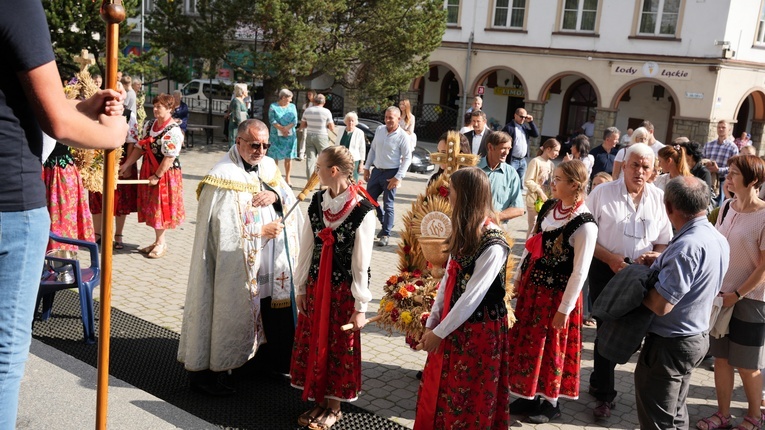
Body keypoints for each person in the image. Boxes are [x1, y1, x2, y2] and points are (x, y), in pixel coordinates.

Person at [0, 2, 127, 427]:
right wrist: (114, 134)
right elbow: (57, 121)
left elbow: (21, 104)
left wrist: (83, 106)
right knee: (4, 354)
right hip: (9, 204)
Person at [178, 119, 301, 396]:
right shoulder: (222, 176)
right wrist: (260, 231)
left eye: (265, 145)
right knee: (229, 311)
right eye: (254, 144)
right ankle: (214, 371)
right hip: (231, 265)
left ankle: (261, 363)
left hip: (267, 260)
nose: (260, 151)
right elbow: (221, 231)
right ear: (238, 142)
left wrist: (274, 196)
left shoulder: (268, 167)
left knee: (269, 308)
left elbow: (285, 195)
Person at [414, 166, 512, 430]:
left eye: (453, 192)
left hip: (479, 331)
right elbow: (448, 279)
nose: (450, 198)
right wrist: (432, 322)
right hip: (453, 326)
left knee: (469, 396)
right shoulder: (464, 232)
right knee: (445, 391)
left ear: (466, 197)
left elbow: (472, 297)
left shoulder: (494, 244)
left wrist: (440, 332)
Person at [290, 145, 375, 429]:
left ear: (333, 171)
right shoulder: (317, 203)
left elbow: (361, 263)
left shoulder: (363, 209)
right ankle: (320, 400)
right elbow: (306, 247)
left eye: (320, 167)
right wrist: (300, 286)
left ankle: (335, 406)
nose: (317, 172)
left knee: (339, 345)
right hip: (316, 286)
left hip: (342, 292)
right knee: (315, 339)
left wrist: (361, 306)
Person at [634, 176, 729, 430]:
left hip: (670, 344)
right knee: (675, 414)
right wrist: (663, 260)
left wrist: (634, 285)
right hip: (695, 336)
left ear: (668, 207)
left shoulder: (686, 247)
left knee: (659, 421)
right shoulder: (715, 236)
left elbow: (661, 305)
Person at [585, 143, 672, 419]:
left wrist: (654, 256)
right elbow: (584, 235)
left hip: (640, 275)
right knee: (606, 329)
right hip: (605, 269)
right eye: (635, 165)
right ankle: (604, 396)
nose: (640, 171)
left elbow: (664, 240)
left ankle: (599, 379)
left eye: (646, 167)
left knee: (630, 332)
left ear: (653, 170)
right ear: (624, 166)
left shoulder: (659, 198)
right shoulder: (602, 193)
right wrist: (610, 258)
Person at [508, 160, 598, 424]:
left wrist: (564, 310)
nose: (552, 182)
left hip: (558, 296)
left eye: (558, 179)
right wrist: (516, 277)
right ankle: (528, 395)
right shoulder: (549, 207)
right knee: (529, 343)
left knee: (551, 347)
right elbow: (531, 245)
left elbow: (579, 272)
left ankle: (551, 402)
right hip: (533, 289)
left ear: (574, 185)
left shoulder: (585, 225)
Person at [697, 155, 765, 430]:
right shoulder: (725, 207)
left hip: (750, 301)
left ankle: (754, 416)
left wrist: (737, 294)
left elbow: (763, 268)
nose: (728, 177)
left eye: (735, 173)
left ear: (754, 181)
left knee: (747, 365)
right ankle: (723, 415)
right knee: (722, 360)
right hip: (721, 297)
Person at [119, 93, 185, 259]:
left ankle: (161, 243)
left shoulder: (173, 130)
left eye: (159, 107)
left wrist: (157, 175)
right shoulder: (149, 125)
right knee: (152, 207)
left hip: (165, 174)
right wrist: (126, 164)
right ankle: (157, 241)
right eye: (154, 106)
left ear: (170, 108)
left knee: (160, 207)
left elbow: (169, 157)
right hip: (149, 169)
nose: (155, 109)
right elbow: (140, 148)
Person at [91, 93, 141, 250]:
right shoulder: (97, 112)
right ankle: (97, 234)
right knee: (97, 197)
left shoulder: (128, 114)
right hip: (100, 160)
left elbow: (132, 141)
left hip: (121, 160)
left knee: (122, 200)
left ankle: (118, 234)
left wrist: (126, 165)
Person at [363, 106, 412, 247]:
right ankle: (384, 221)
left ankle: (385, 234)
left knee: (388, 204)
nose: (388, 120)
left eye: (391, 117)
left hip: (391, 173)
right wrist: (366, 168)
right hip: (377, 171)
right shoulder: (379, 130)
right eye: (386, 117)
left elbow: (408, 158)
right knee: (369, 201)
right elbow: (372, 149)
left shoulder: (403, 136)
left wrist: (398, 177)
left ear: (399, 119)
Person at [477, 131, 524, 223]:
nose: (506, 152)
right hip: (472, 227)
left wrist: (493, 217)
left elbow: (519, 209)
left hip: (498, 228)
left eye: (509, 149)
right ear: (490, 147)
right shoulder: (473, 168)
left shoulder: (511, 173)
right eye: (503, 148)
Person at [524, 138, 560, 238]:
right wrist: (539, 191)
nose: (557, 154)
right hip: (534, 200)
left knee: (541, 227)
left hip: (546, 201)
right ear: (548, 149)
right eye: (556, 150)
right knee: (533, 225)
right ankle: (527, 250)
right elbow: (528, 181)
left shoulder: (551, 164)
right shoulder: (536, 161)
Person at [501, 107, 539, 188]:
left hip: (522, 160)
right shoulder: (509, 127)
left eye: (525, 117)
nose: (523, 119)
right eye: (521, 116)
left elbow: (535, 134)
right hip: (512, 160)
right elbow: (502, 142)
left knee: (520, 184)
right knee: (509, 182)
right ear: (515, 115)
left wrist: (531, 122)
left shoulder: (524, 127)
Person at [705, 120, 739, 207]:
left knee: (719, 205)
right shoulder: (708, 145)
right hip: (708, 179)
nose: (720, 129)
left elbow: (735, 167)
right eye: (718, 127)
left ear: (729, 130)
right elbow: (702, 160)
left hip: (723, 181)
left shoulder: (733, 148)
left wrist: (718, 170)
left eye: (723, 127)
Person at [300, 93, 335, 179]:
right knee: (324, 159)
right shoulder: (326, 112)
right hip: (322, 135)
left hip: (310, 135)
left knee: (310, 160)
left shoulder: (307, 110)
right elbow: (331, 127)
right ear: (324, 102)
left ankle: (310, 182)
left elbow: (303, 125)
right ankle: (323, 181)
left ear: (314, 101)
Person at [268, 88, 298, 185]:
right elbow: (272, 120)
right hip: (276, 136)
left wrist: (286, 129)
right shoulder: (273, 106)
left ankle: (288, 178)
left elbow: (295, 120)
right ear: (283, 97)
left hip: (289, 136)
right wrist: (282, 129)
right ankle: (275, 177)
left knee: (288, 157)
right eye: (290, 98)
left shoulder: (292, 106)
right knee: (274, 157)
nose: (291, 100)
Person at [337, 111, 366, 182]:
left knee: (353, 181)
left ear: (355, 122)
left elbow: (362, 148)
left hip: (354, 161)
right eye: (349, 120)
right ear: (345, 121)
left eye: (352, 121)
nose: (350, 123)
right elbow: (336, 145)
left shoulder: (359, 132)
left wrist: (361, 164)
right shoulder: (341, 130)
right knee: (342, 180)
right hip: (341, 160)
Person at [296, 89, 316, 161]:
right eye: (308, 94)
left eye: (310, 94)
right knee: (304, 137)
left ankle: (308, 153)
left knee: (311, 139)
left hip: (313, 124)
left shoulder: (316, 104)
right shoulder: (306, 105)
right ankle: (301, 153)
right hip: (306, 124)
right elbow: (304, 116)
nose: (309, 96)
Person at [227, 84, 249, 148]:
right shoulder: (236, 101)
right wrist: (242, 126)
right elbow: (237, 114)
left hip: (241, 124)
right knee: (234, 141)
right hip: (236, 126)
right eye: (246, 90)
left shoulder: (241, 101)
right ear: (242, 92)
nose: (247, 92)